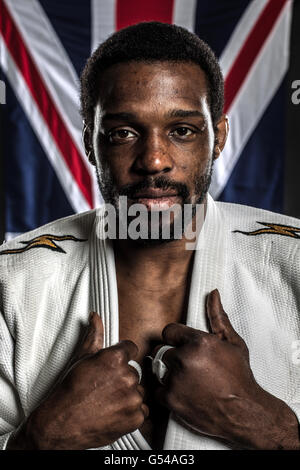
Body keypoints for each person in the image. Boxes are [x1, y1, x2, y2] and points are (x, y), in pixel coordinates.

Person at [1, 21, 300, 451]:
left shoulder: (291, 262)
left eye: (182, 131)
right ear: (90, 143)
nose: (154, 160)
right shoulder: (12, 281)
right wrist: (41, 439)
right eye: (124, 132)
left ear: (218, 139)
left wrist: (261, 422)